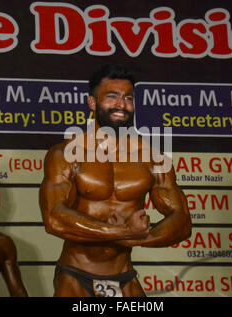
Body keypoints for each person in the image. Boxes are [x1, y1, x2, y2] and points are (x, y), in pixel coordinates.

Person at [39, 64, 192, 297]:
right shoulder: (66, 154)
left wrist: (141, 236)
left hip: (124, 276)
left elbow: (182, 221)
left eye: (127, 98)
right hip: (75, 275)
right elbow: (54, 219)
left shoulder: (152, 158)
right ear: (92, 102)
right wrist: (120, 233)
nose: (121, 105)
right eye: (112, 97)